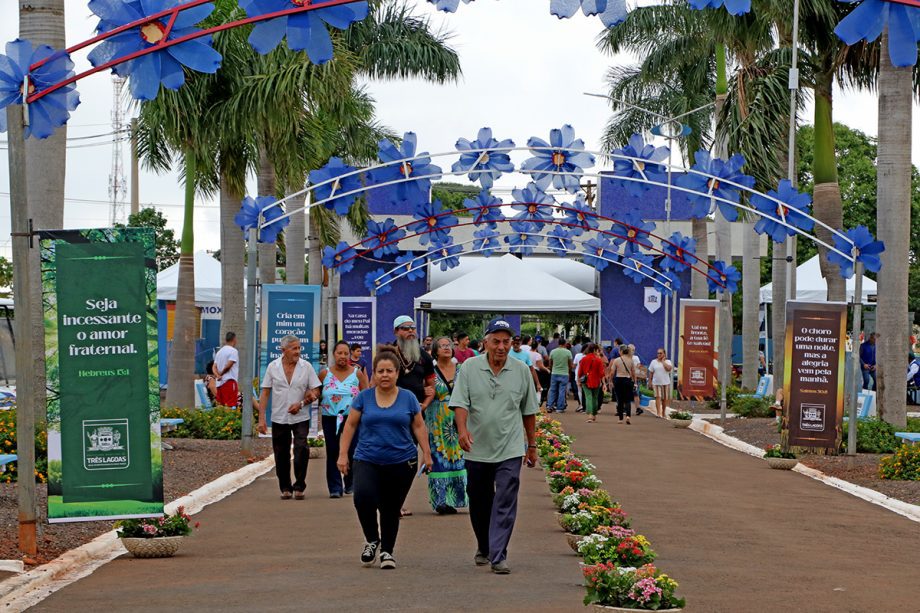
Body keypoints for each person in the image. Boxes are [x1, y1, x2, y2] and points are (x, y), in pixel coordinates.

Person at [450, 317, 539, 574]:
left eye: (506, 342)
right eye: (496, 341)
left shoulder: (521, 371)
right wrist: (463, 431)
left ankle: (498, 554)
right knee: (479, 500)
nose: (501, 347)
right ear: (485, 342)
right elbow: (460, 404)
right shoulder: (469, 368)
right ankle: (485, 545)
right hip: (477, 448)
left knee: (505, 498)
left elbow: (529, 411)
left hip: (510, 447)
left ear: (512, 344)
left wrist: (531, 445)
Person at [337, 347, 433, 570]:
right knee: (363, 498)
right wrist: (343, 454)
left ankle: (387, 552)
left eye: (389, 370)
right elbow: (350, 425)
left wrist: (427, 453)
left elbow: (418, 426)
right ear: (374, 374)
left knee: (391, 508)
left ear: (397, 373)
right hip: (367, 458)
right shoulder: (364, 398)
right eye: (380, 371)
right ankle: (372, 539)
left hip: (402, 461)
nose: (385, 375)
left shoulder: (408, 398)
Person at [258, 335, 322, 500]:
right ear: (283, 350)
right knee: (281, 453)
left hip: (300, 416)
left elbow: (316, 390)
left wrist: (303, 402)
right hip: (279, 417)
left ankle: (299, 485)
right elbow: (265, 392)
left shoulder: (306, 367)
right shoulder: (273, 367)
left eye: (299, 348)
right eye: (294, 348)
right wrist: (261, 419)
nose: (298, 351)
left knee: (301, 448)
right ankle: (285, 487)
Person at [391, 315, 436, 516]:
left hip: (416, 417)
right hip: (390, 417)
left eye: (412, 328)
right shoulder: (388, 355)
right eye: (405, 328)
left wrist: (424, 405)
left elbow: (431, 387)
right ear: (396, 332)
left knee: (409, 460)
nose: (410, 331)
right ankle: (388, 500)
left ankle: (398, 500)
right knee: (390, 458)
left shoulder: (424, 357)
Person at [319, 341, 369, 498]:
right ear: (334, 354)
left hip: (352, 418)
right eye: (339, 353)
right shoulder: (324, 374)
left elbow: (366, 395)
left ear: (350, 355)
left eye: (346, 353)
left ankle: (351, 483)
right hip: (330, 418)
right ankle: (335, 487)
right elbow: (316, 392)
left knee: (353, 450)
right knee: (333, 451)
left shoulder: (357, 373)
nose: (342, 356)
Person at [427, 336, 469, 514]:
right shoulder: (430, 371)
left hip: (459, 417)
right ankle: (440, 501)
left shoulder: (462, 369)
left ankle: (458, 497)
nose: (447, 348)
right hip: (437, 419)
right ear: (435, 350)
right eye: (442, 346)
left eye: (449, 345)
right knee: (439, 457)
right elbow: (424, 389)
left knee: (459, 457)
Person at [610, 344, 636, 425]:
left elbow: (612, 372)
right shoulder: (631, 360)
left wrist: (611, 380)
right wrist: (634, 381)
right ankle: (628, 416)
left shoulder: (617, 360)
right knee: (628, 400)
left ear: (621, 351)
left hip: (618, 380)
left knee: (619, 400)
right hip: (627, 380)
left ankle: (620, 418)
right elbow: (633, 372)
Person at [580, 343, 606, 423]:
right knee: (595, 397)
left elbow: (580, 371)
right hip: (596, 381)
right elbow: (602, 373)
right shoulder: (598, 360)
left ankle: (590, 415)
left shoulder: (584, 359)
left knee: (588, 397)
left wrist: (578, 380)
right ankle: (594, 414)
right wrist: (604, 383)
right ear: (595, 350)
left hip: (586, 380)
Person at [214, 331, 240, 407]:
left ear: (226, 340)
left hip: (219, 384)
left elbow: (214, 366)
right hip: (229, 381)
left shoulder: (219, 352)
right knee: (230, 405)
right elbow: (228, 366)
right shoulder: (233, 351)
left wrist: (217, 375)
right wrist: (221, 374)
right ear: (234, 339)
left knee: (221, 406)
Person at [547, 339, 573, 413]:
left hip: (554, 373)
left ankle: (550, 406)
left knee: (552, 390)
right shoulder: (568, 352)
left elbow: (550, 363)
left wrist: (552, 369)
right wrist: (569, 372)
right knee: (562, 391)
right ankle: (560, 408)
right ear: (565, 344)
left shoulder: (553, 351)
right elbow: (570, 364)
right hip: (564, 374)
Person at [648, 348, 673, 418]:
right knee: (658, 397)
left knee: (664, 398)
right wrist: (650, 381)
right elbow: (651, 372)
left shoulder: (668, 361)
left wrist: (663, 361)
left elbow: (669, 369)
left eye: (660, 353)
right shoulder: (653, 362)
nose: (659, 354)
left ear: (664, 354)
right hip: (656, 383)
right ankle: (658, 413)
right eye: (658, 353)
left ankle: (663, 412)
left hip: (665, 382)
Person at [629, 344, 644, 416]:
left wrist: (638, 368)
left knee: (636, 393)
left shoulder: (636, 357)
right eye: (631, 349)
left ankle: (637, 408)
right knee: (626, 393)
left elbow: (639, 366)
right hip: (627, 377)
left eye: (633, 350)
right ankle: (624, 408)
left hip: (635, 378)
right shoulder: (625, 357)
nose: (633, 351)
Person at [572, 344, 586, 412]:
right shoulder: (589, 356)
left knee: (579, 391)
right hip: (586, 376)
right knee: (586, 391)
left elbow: (574, 366)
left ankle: (581, 405)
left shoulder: (577, 355)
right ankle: (585, 405)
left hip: (578, 375)